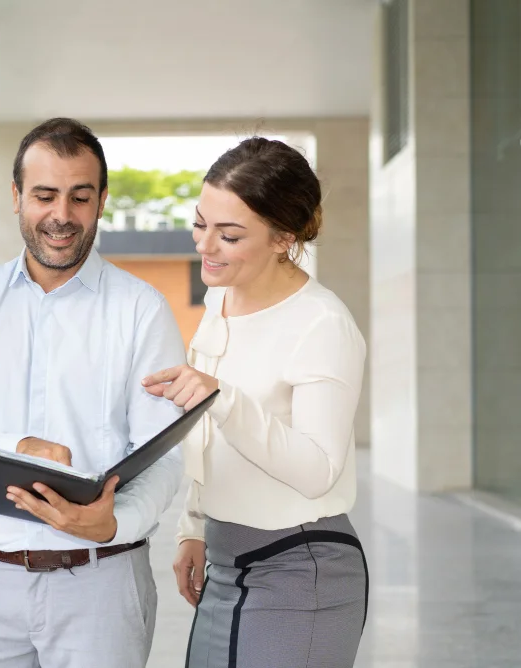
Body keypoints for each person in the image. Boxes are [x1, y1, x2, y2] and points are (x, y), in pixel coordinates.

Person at [0, 117, 186, 668]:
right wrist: (19, 446)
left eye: (79, 196)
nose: (61, 215)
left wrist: (114, 522)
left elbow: (164, 452)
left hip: (103, 580)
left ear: (102, 201)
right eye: (44, 195)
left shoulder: (142, 309)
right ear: (16, 197)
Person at [141, 137, 369, 668]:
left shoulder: (321, 323)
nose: (205, 245)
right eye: (201, 223)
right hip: (225, 559)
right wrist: (194, 526)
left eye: (230, 234)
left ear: (283, 237)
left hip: (299, 567)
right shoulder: (223, 297)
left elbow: (318, 470)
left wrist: (223, 398)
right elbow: (207, 429)